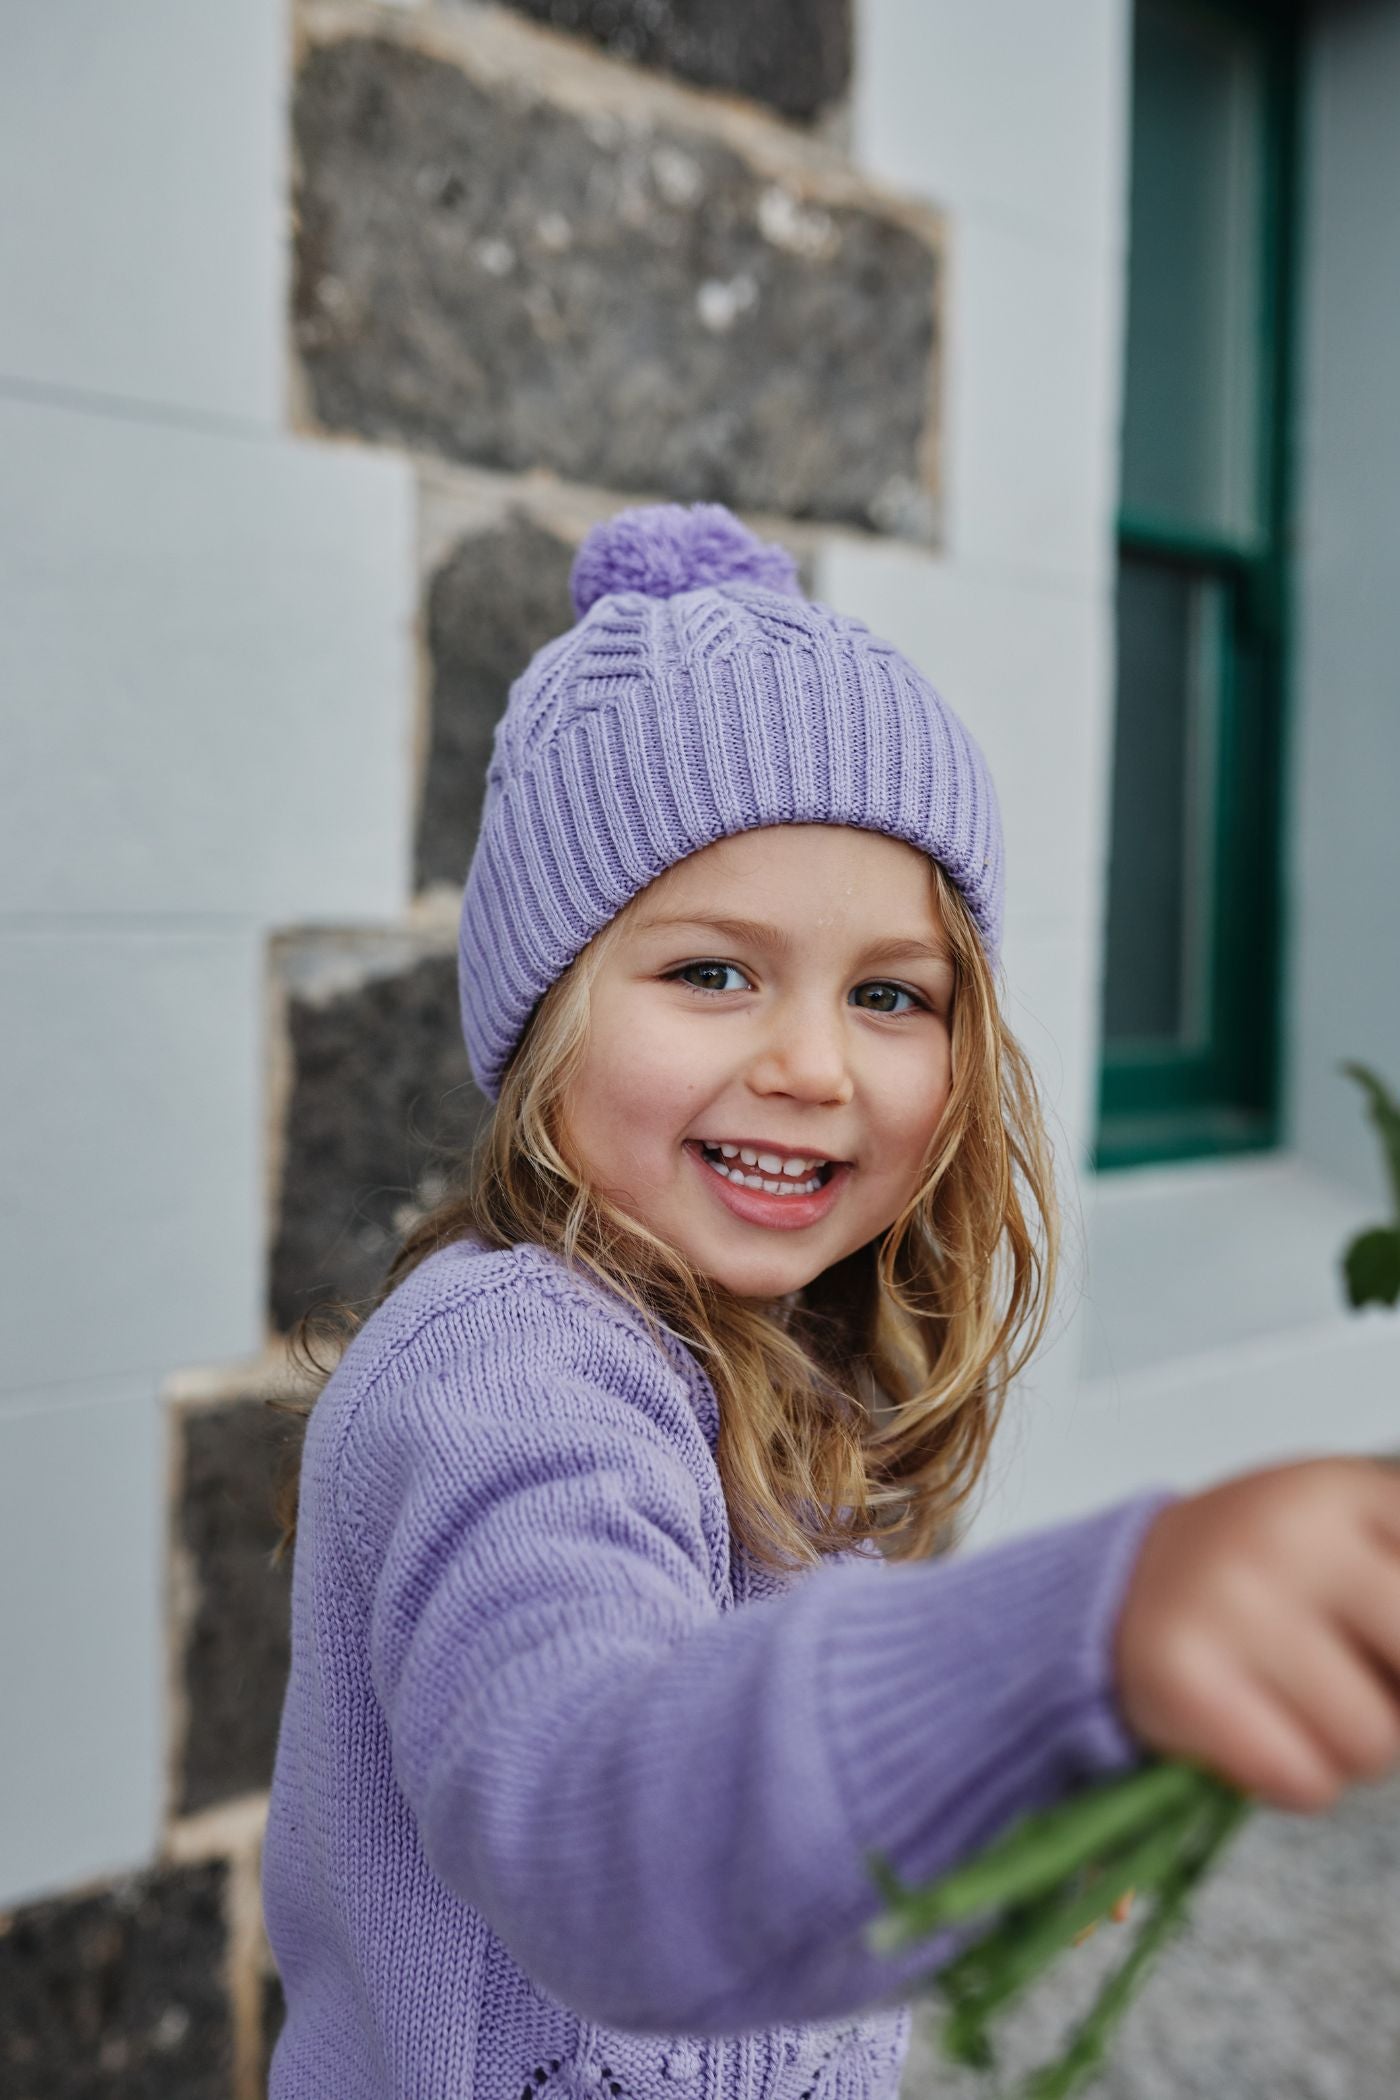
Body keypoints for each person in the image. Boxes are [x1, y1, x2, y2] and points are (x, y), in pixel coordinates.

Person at [260, 502, 1400, 2100]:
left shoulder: (780, 1357)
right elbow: (601, 1819)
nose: (811, 1065)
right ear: (546, 1017)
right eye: (712, 972)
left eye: (889, 995)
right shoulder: (507, 1373)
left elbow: (772, 1801)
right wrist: (1077, 1644)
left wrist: (1005, 1799)